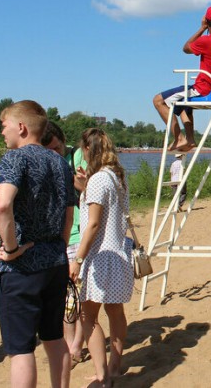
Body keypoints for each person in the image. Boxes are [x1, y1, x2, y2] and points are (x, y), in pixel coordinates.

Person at [0, 100, 75, 388]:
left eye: (4, 126)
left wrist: (12, 249)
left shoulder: (15, 159)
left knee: (21, 349)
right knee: (55, 338)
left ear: (22, 127)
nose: (2, 133)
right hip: (56, 262)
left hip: (22, 268)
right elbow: (68, 215)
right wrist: (58, 248)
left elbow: (2, 206)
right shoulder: (60, 162)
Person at [70, 128, 135, 387]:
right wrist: (84, 187)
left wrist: (77, 259)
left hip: (101, 257)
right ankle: (115, 367)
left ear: (88, 150)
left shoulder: (98, 180)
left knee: (88, 316)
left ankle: (102, 375)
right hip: (119, 254)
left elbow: (93, 224)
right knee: (115, 312)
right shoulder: (117, 177)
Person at [153, 4, 211, 152]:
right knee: (183, 101)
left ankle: (179, 138)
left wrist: (201, 29)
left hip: (204, 89)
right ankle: (190, 139)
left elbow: (186, 48)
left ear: (206, 20)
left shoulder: (206, 41)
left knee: (158, 100)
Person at [41, 121, 88, 367]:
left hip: (79, 235)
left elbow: (90, 191)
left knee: (77, 294)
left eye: (57, 149)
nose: (55, 155)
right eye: (49, 151)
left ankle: (76, 347)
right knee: (65, 296)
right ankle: (72, 346)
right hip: (56, 237)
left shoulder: (78, 156)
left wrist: (68, 176)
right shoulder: (41, 162)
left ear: (63, 142)